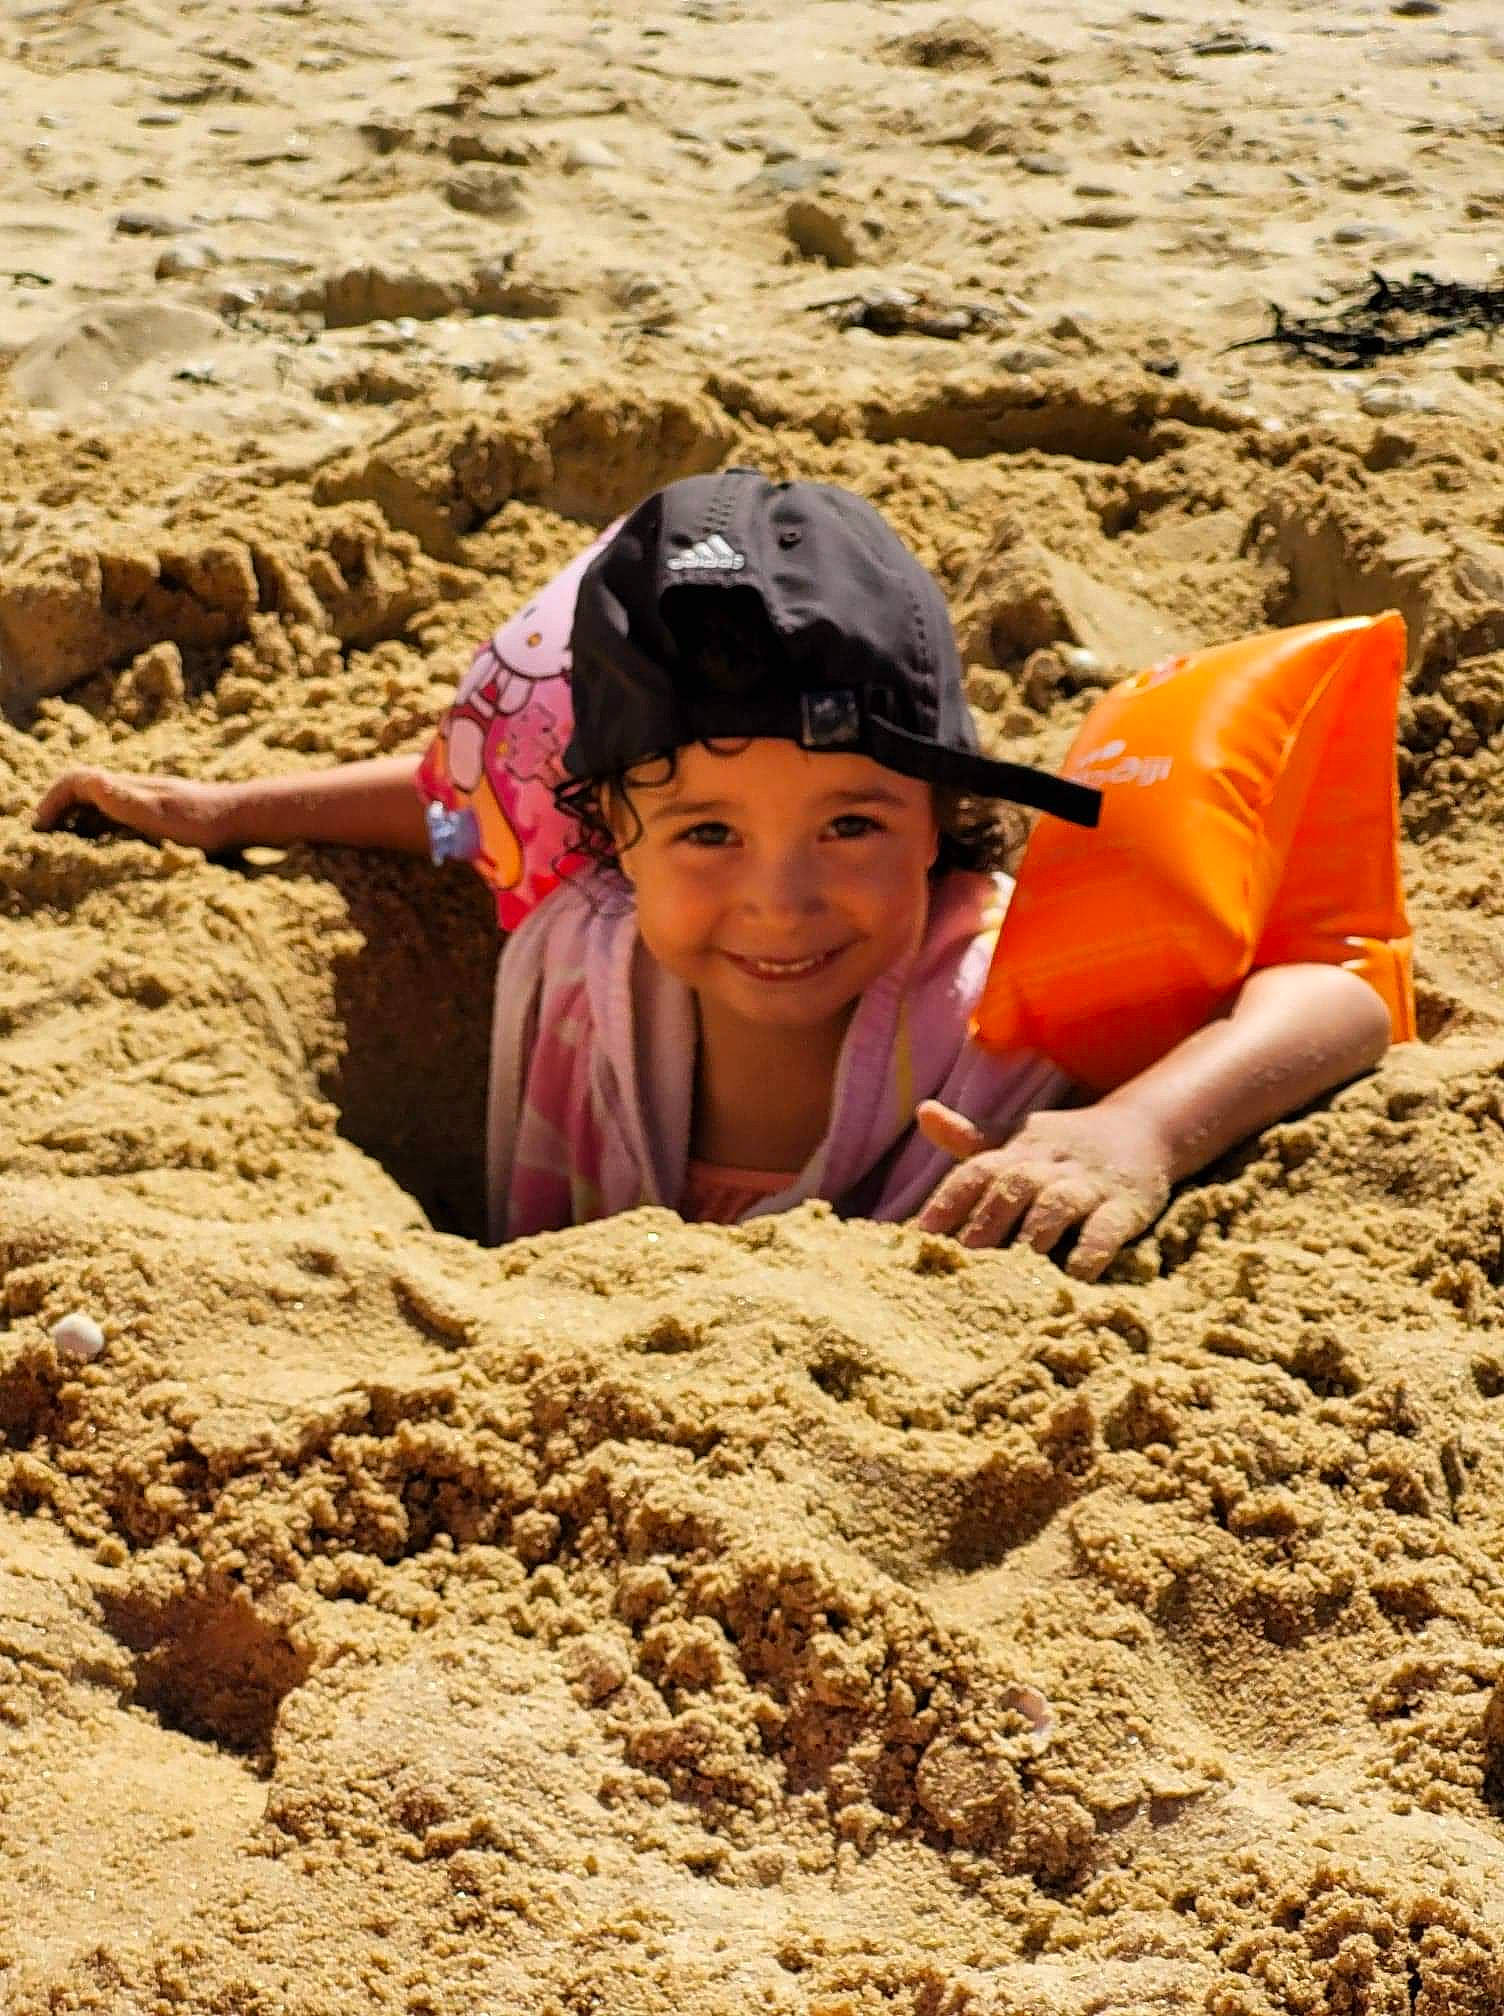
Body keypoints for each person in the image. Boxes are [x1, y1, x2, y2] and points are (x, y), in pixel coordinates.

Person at [33, 470, 1392, 1279]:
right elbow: (455, 816)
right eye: (708, 836)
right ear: (608, 827)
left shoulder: (1002, 999)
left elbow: (1337, 997)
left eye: (854, 827)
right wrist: (219, 809)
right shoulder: (585, 927)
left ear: (942, 815)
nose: (779, 900)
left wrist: (1142, 1128)